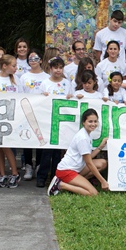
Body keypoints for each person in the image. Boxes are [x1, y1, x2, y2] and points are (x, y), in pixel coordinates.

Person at [48, 109, 109, 196]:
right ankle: (61, 185)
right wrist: (103, 181)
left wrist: (100, 146)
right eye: (90, 121)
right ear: (83, 122)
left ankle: (76, 184)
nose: (93, 124)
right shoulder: (83, 138)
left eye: (95, 121)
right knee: (93, 194)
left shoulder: (87, 134)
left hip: (76, 168)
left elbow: (88, 157)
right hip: (66, 171)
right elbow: (89, 163)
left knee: (102, 163)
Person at [36, 56, 74, 187]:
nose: (58, 70)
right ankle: (41, 176)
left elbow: (72, 98)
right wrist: (43, 97)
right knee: (47, 151)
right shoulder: (45, 83)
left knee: (58, 152)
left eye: (60, 68)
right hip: (48, 121)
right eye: (55, 67)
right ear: (50, 68)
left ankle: (54, 177)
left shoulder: (67, 83)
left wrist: (71, 97)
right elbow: (38, 101)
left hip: (62, 121)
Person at [0, 54, 21, 188]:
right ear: (5, 66)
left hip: (11, 117)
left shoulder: (16, 79)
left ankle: (15, 173)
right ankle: (2, 174)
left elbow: (22, 96)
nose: (16, 68)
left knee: (6, 144)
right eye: (13, 65)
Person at [19, 49, 50, 181]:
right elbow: (20, 94)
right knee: (27, 137)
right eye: (30, 59)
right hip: (27, 111)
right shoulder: (24, 77)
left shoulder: (46, 77)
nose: (33, 61)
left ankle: (38, 165)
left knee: (40, 138)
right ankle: (28, 165)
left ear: (41, 60)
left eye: (36, 58)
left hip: (41, 111)